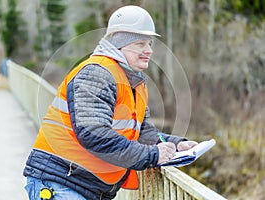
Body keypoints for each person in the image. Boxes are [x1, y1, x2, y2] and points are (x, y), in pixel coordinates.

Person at [23, 5, 197, 200]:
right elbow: (94, 133)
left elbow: (140, 132)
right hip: (61, 182)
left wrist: (174, 145)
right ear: (119, 45)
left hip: (85, 188)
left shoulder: (134, 82)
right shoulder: (97, 73)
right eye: (140, 44)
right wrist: (152, 156)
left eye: (150, 44)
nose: (149, 50)